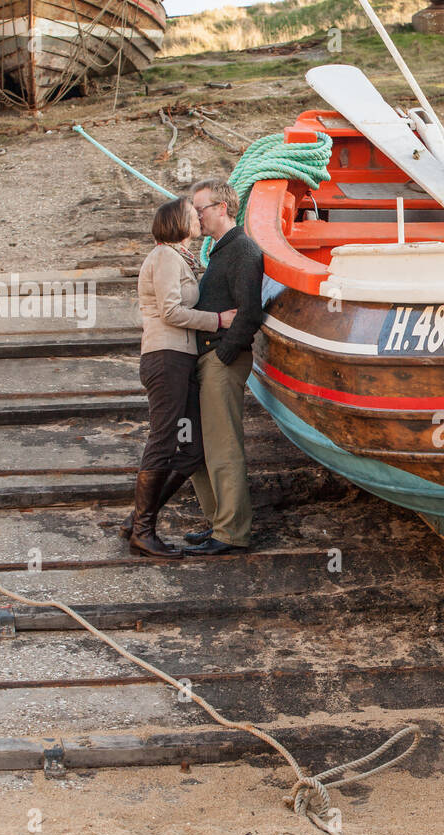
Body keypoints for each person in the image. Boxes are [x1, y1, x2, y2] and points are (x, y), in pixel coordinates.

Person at [128, 197, 234, 558]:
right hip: (165, 358)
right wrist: (219, 321)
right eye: (192, 214)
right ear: (177, 222)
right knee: (163, 440)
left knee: (193, 449)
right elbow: (171, 311)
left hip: (181, 360)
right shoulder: (164, 257)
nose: (198, 218)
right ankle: (143, 532)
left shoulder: (181, 258)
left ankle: (139, 518)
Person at [182, 179, 266, 557]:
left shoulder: (243, 249)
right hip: (208, 358)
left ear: (222, 208)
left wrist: (224, 354)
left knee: (223, 447)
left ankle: (232, 533)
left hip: (220, 359)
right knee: (201, 447)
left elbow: (250, 311)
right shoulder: (219, 252)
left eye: (200, 208)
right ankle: (219, 523)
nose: (195, 215)